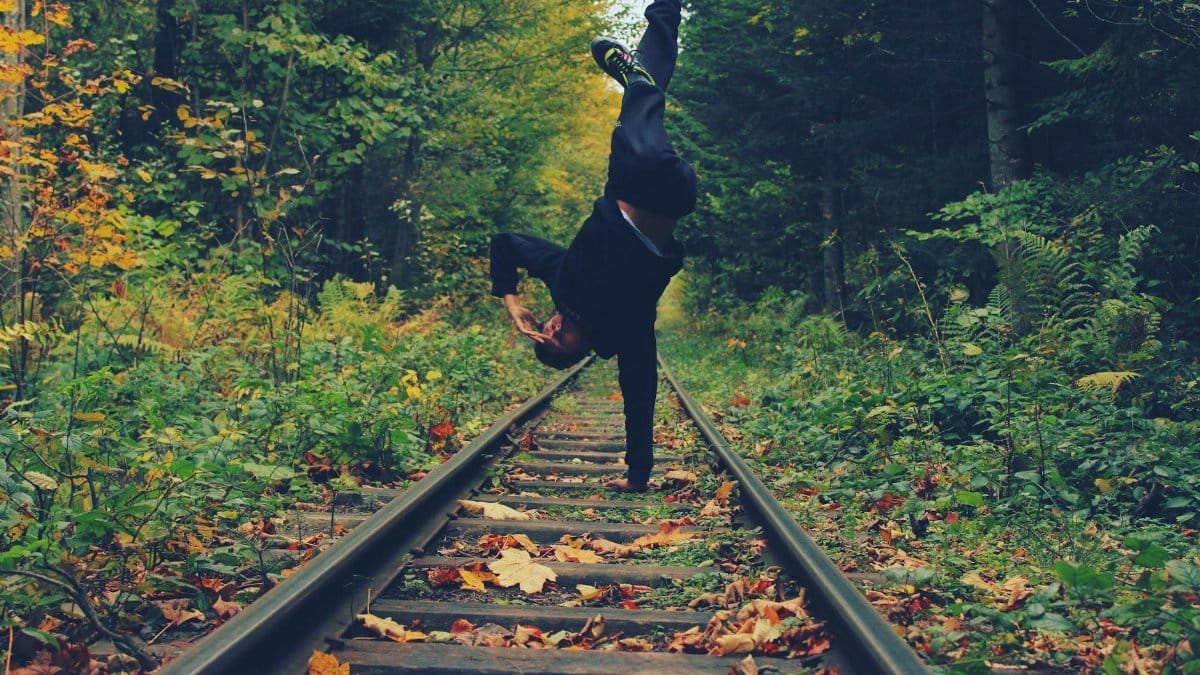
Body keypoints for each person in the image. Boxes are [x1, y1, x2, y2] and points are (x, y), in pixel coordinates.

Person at [488, 0, 695, 492]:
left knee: (642, 113)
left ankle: (663, 16)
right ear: (578, 353)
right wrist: (637, 478)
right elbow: (639, 395)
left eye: (548, 329)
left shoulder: (560, 278)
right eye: (557, 339)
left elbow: (506, 243)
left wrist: (512, 304)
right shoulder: (625, 334)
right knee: (643, 103)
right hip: (668, 193)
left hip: (628, 176)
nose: (554, 327)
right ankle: (635, 77)